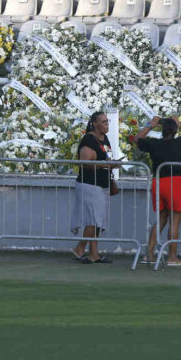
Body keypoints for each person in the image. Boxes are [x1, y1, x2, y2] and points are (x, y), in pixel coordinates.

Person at [136, 116, 181, 266]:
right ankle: (172, 257)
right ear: (175, 131)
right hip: (178, 182)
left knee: (161, 219)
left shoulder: (154, 143)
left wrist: (150, 125)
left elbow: (137, 138)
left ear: (161, 130)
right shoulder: (180, 142)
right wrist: (180, 124)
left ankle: (148, 255)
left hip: (159, 182)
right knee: (174, 222)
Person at [71, 111, 115, 264]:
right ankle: (80, 248)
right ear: (95, 123)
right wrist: (106, 164)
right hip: (90, 184)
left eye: (107, 121)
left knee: (97, 221)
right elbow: (85, 162)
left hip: (101, 183)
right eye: (103, 122)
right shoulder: (89, 140)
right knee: (94, 220)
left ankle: (93, 253)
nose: (106, 124)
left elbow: (105, 156)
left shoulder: (105, 138)